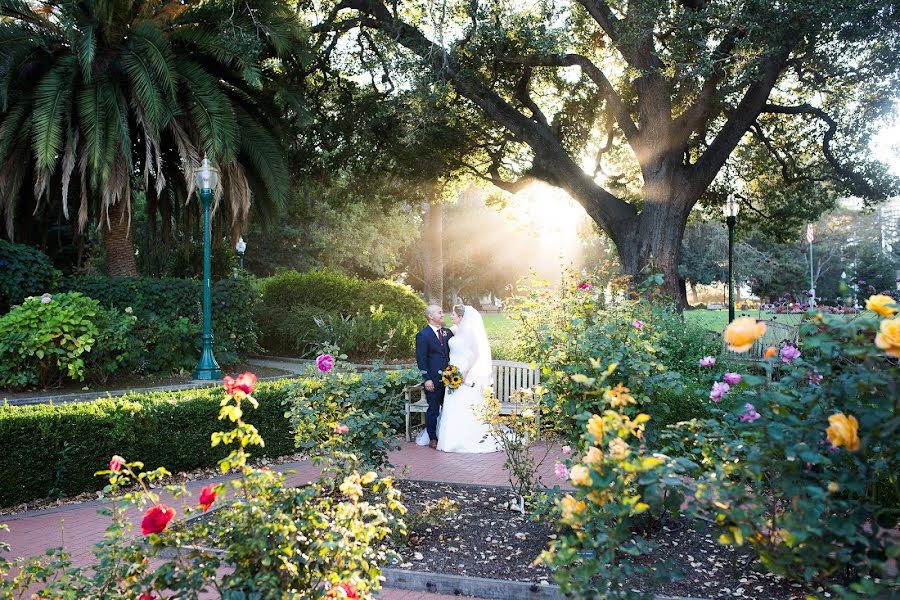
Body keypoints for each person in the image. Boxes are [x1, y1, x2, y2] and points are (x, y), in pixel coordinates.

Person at [436, 305, 499, 453]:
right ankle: (450, 440)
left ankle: (469, 438)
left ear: (461, 317)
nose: (450, 316)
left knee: (466, 403)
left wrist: (464, 372)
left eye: (453, 314)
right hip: (452, 371)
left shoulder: (471, 332)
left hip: (465, 372)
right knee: (453, 404)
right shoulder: (455, 330)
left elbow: (477, 354)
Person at [415, 305, 452, 449]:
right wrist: (427, 379)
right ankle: (432, 438)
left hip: (450, 378)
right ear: (430, 316)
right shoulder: (423, 335)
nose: (443, 314)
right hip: (433, 380)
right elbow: (421, 359)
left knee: (448, 408)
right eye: (440, 312)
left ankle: (446, 435)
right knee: (433, 409)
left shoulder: (447, 333)